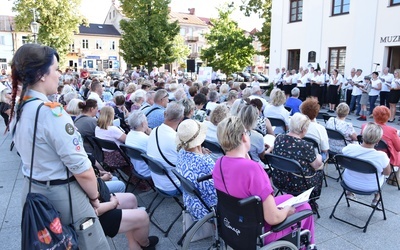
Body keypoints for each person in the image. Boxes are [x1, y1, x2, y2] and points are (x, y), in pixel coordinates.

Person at [9, 44, 110, 248]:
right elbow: (82, 170)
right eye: (56, 69)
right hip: (62, 195)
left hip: (32, 189)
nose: (59, 75)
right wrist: (95, 197)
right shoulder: (50, 113)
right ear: (41, 74)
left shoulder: (19, 109)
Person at [212, 116, 316, 247]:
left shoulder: (219, 164)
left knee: (289, 197)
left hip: (234, 223)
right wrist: (287, 211)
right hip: (258, 232)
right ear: (244, 137)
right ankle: (309, 246)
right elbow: (273, 219)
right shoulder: (253, 170)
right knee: (305, 207)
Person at [273, 113, 324, 206]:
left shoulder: (279, 138)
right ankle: (312, 201)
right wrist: (319, 156)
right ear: (304, 129)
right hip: (299, 184)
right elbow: (316, 165)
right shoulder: (306, 145)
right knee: (320, 170)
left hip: (278, 179)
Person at [176, 119, 217, 220]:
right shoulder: (206, 162)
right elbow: (215, 193)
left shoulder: (181, 153)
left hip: (191, 203)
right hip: (207, 210)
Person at [342, 122, 391, 207]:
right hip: (370, 186)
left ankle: (349, 193)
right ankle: (376, 199)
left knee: (354, 167)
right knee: (383, 175)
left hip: (348, 182)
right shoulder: (381, 156)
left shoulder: (349, 148)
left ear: (362, 135)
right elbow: (387, 173)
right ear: (378, 141)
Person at [147, 101, 184, 195]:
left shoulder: (154, 130)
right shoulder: (177, 140)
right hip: (173, 186)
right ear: (181, 118)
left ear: (164, 114)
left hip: (158, 183)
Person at [362, 106, 400, 183]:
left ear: (374, 115)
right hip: (384, 157)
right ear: (388, 117)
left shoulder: (365, 126)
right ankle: (396, 177)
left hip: (366, 153)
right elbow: (398, 147)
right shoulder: (392, 131)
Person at [126, 110, 152, 178]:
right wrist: (152, 135)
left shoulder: (129, 134)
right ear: (143, 123)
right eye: (146, 120)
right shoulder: (146, 139)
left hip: (136, 168)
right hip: (148, 171)